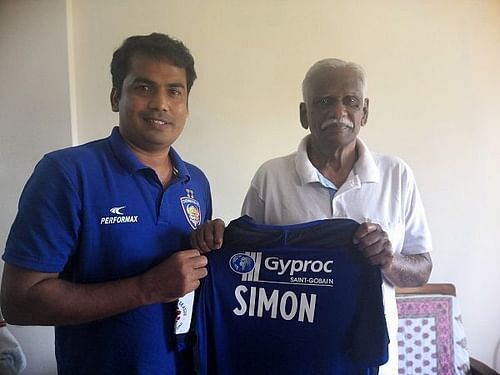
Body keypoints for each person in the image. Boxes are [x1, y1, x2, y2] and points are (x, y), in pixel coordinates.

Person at [191, 58, 433, 374]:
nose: (339, 112)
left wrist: (389, 260)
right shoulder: (271, 177)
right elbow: (246, 267)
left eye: (351, 101)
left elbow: (422, 269)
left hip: (368, 360)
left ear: (365, 112)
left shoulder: (397, 176)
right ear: (304, 114)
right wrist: (215, 242)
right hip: (286, 358)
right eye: (324, 102)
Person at [1, 33, 212, 374]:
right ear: (117, 97)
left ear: (186, 104)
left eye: (175, 91)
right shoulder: (66, 173)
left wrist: (211, 246)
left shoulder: (196, 182)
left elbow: (189, 284)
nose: (161, 103)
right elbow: (20, 302)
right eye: (144, 87)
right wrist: (147, 288)